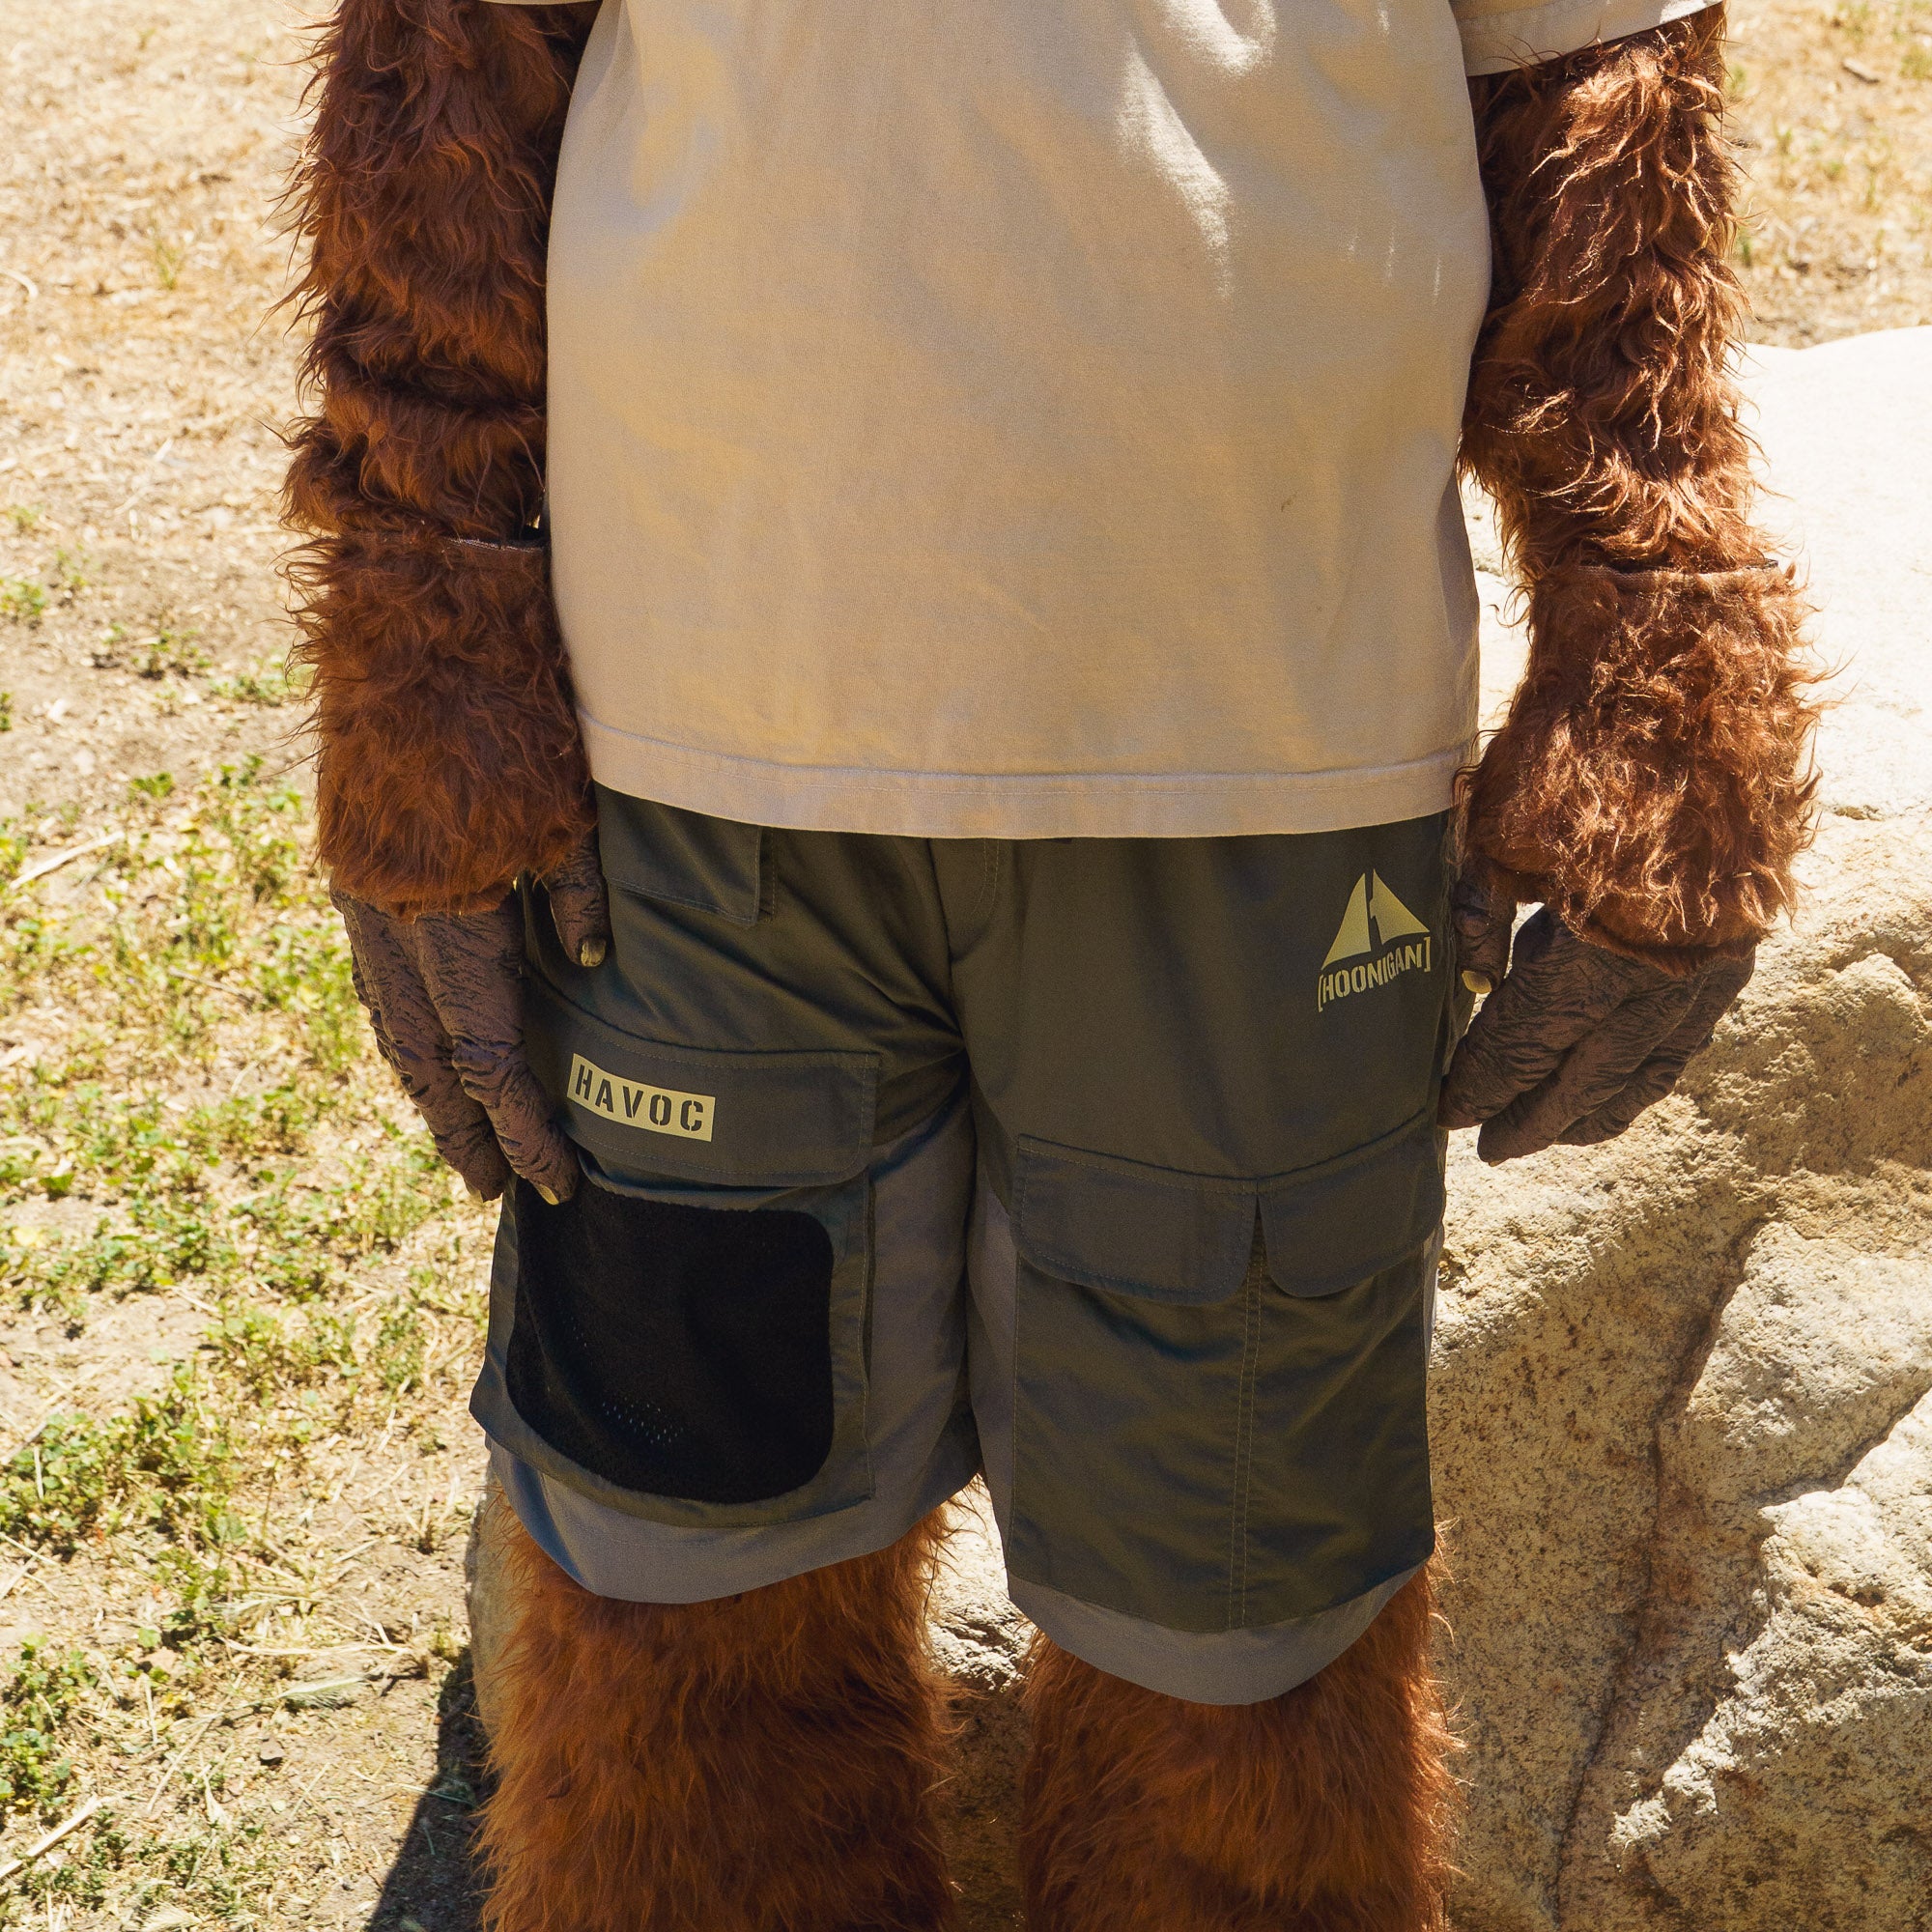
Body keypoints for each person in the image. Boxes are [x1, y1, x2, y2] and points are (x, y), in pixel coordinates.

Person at [287, 1, 1816, 1924]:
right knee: (689, 1613)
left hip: (1263, 773)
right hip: (698, 773)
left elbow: (1595, 102)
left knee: (1238, 1662)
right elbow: (442, 85)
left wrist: (1659, 647)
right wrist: (423, 661)